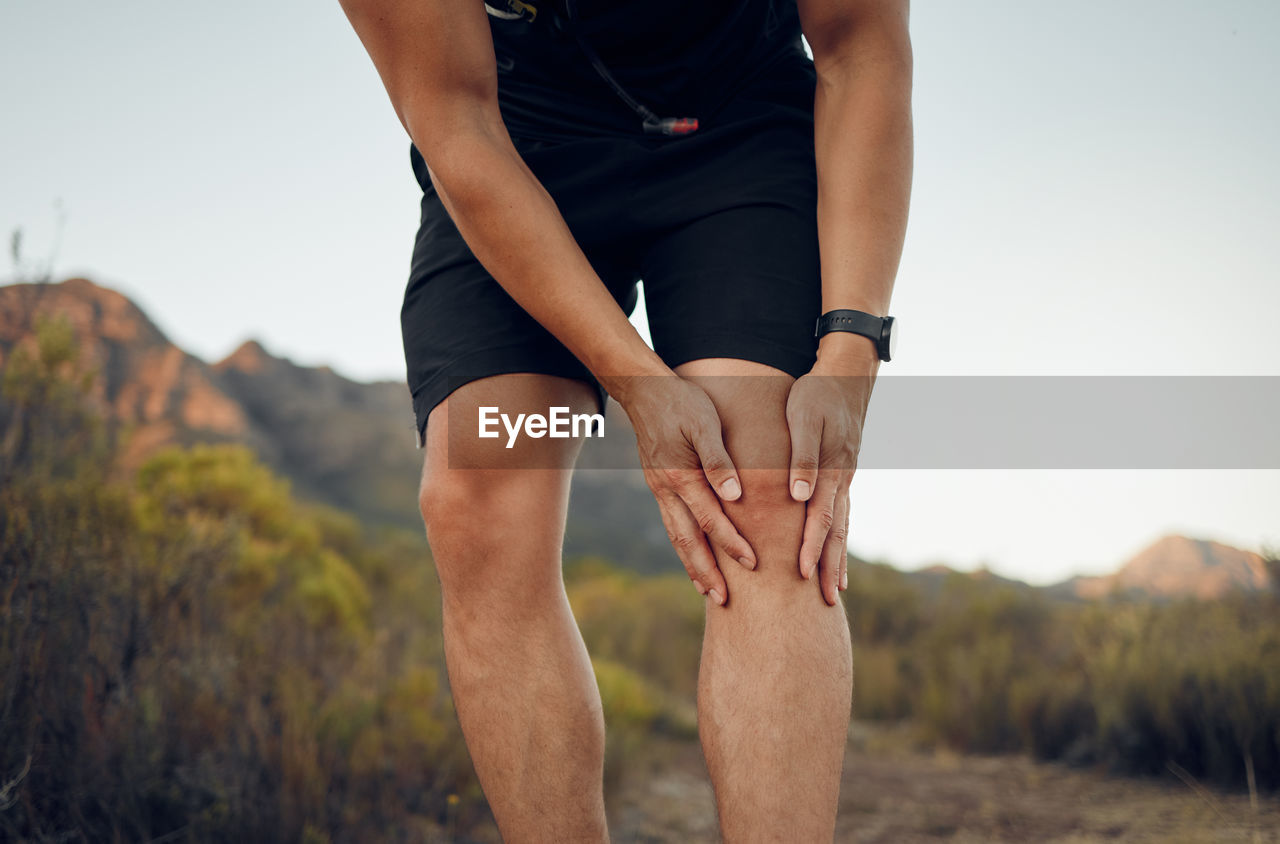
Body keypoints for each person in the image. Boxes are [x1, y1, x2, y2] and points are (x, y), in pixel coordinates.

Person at [338, 0, 912, 838]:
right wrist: (634, 381)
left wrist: (853, 342)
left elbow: (860, 48)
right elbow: (455, 121)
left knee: (768, 481)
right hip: (519, 141)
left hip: (737, 124)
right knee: (479, 496)